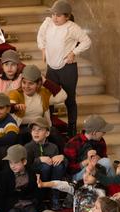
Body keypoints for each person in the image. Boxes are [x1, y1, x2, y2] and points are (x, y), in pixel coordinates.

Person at [37, 0, 91, 138]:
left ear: (67, 16)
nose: (55, 17)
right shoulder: (48, 23)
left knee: (70, 99)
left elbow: (86, 41)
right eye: (54, 14)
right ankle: (50, 125)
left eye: (59, 15)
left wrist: (73, 53)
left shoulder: (72, 27)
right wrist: (43, 49)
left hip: (67, 69)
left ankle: (71, 128)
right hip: (52, 68)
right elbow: (41, 36)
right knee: (49, 97)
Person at [9, 65, 67, 145]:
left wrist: (45, 81)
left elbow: (63, 96)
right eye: (24, 82)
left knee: (53, 132)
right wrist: (15, 107)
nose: (26, 86)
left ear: (38, 84)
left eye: (31, 83)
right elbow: (9, 106)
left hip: (41, 126)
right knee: (24, 134)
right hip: (22, 127)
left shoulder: (43, 94)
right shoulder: (16, 93)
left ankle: (64, 155)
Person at [25, 117, 66, 210]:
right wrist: (39, 160)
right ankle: (41, 199)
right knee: (45, 166)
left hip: (53, 178)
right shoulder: (28, 147)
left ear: (47, 133)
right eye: (33, 130)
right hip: (37, 180)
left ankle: (55, 197)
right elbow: (26, 165)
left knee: (59, 165)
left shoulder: (53, 147)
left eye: (40, 130)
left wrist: (61, 157)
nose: (36, 132)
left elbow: (63, 163)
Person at [2, 144, 40, 212]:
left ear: (24, 161)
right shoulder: (4, 175)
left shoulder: (32, 173)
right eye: (10, 163)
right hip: (12, 206)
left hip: (29, 204)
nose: (12, 166)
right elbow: (0, 196)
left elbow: (37, 192)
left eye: (16, 163)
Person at [64, 115, 115, 182]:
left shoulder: (100, 141)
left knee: (106, 162)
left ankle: (112, 186)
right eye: (103, 131)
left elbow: (104, 158)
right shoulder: (73, 143)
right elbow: (69, 169)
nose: (104, 133)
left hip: (95, 169)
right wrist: (86, 162)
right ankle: (116, 187)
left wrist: (99, 159)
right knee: (106, 162)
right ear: (94, 132)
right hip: (76, 175)